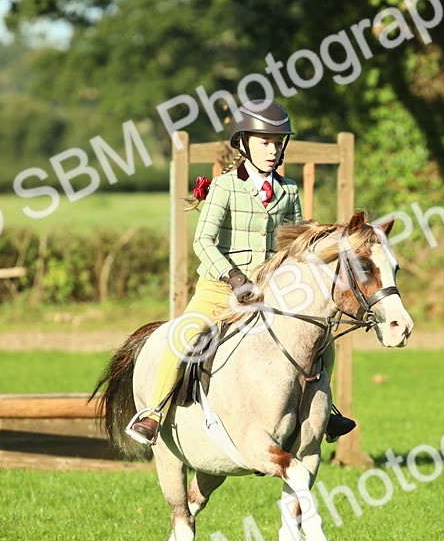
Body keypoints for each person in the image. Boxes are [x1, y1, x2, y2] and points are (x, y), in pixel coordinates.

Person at [125, 101, 357, 446]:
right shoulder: (224, 186)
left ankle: (326, 409)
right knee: (186, 334)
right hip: (221, 286)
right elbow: (203, 241)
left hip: (271, 288)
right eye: (264, 142)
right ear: (244, 143)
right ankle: (153, 412)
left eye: (278, 143)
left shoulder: (289, 190)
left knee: (320, 334)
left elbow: (294, 242)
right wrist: (233, 277)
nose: (272, 150)